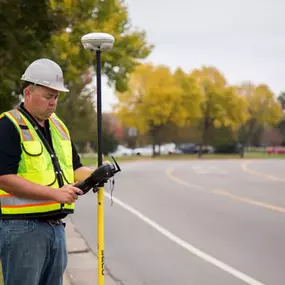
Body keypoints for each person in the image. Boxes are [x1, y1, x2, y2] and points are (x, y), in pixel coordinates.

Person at [0, 58, 94, 285]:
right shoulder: (8, 125)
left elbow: (75, 169)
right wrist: (55, 194)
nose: (53, 103)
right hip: (22, 229)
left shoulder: (58, 127)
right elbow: (4, 178)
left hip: (56, 227)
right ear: (28, 93)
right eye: (48, 96)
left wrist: (96, 175)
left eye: (56, 97)